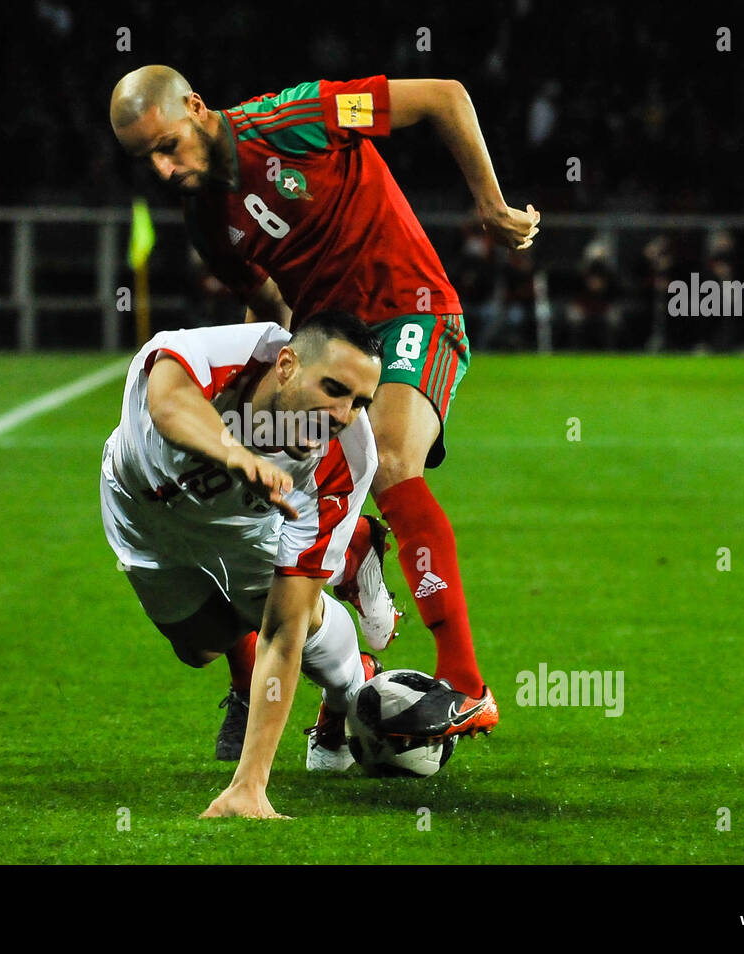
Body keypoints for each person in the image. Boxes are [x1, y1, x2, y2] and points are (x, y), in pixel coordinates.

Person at [109, 67, 539, 736]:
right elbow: (268, 306)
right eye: (147, 160)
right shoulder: (203, 218)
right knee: (247, 493)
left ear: (196, 107)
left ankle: (465, 685)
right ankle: (279, 657)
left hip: (410, 311)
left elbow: (443, 97)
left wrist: (489, 200)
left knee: (394, 460)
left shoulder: (303, 115)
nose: (164, 169)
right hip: (323, 351)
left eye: (169, 146)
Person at [100, 311, 480, 818]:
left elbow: (283, 631)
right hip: (138, 512)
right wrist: (236, 455)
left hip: (247, 531)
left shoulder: (347, 457)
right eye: (334, 388)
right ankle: (349, 556)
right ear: (285, 365)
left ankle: (352, 679)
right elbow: (169, 404)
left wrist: (250, 786)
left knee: (287, 617)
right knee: (199, 647)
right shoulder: (215, 354)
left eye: (361, 402)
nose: (344, 414)